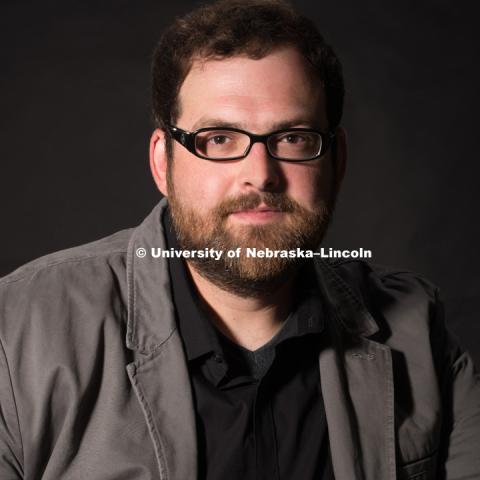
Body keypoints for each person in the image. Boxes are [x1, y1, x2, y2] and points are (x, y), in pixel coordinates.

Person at [1, 0, 479, 478]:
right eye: (218, 139)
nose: (260, 175)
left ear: (337, 161)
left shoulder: (419, 331)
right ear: (163, 163)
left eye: (293, 138)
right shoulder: (17, 334)